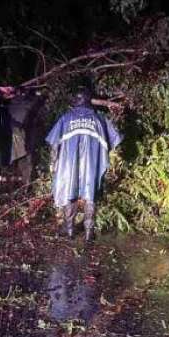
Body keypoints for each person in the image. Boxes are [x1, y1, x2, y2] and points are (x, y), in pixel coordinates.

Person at [46, 86, 122, 242]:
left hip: (68, 164)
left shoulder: (66, 118)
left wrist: (52, 163)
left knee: (69, 192)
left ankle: (69, 230)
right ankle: (88, 232)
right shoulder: (99, 118)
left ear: (75, 101)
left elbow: (54, 144)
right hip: (92, 164)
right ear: (89, 101)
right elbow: (114, 139)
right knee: (91, 195)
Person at [7, 88, 45, 186]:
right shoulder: (29, 105)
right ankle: (26, 184)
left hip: (16, 138)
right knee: (26, 161)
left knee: (21, 161)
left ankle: (21, 184)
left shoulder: (11, 104)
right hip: (24, 137)